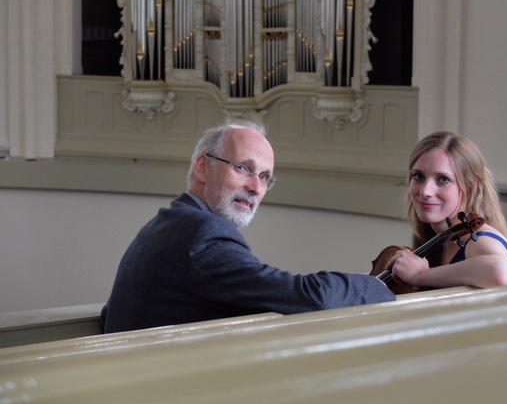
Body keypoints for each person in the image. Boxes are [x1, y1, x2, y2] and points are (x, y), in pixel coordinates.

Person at [101, 120, 395, 333]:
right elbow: (307, 297)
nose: (256, 187)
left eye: (265, 177)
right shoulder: (202, 235)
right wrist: (375, 286)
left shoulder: (169, 221)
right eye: (243, 168)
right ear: (203, 168)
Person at [385, 131, 507, 290]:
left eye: (443, 180)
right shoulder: (440, 240)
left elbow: (500, 272)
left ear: (471, 188)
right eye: (419, 176)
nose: (425, 191)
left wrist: (421, 275)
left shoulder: (479, 241)